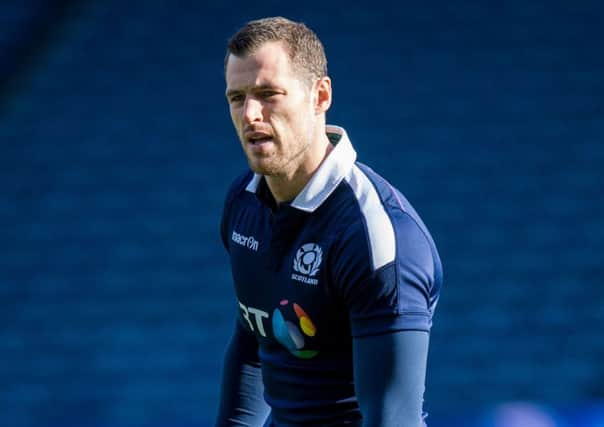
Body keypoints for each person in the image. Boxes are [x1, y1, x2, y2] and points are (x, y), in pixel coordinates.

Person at [215, 16, 442, 427]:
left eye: (268, 94)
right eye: (237, 97)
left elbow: (394, 421)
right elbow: (254, 340)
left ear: (320, 96)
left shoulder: (376, 237)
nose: (250, 114)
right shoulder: (242, 202)